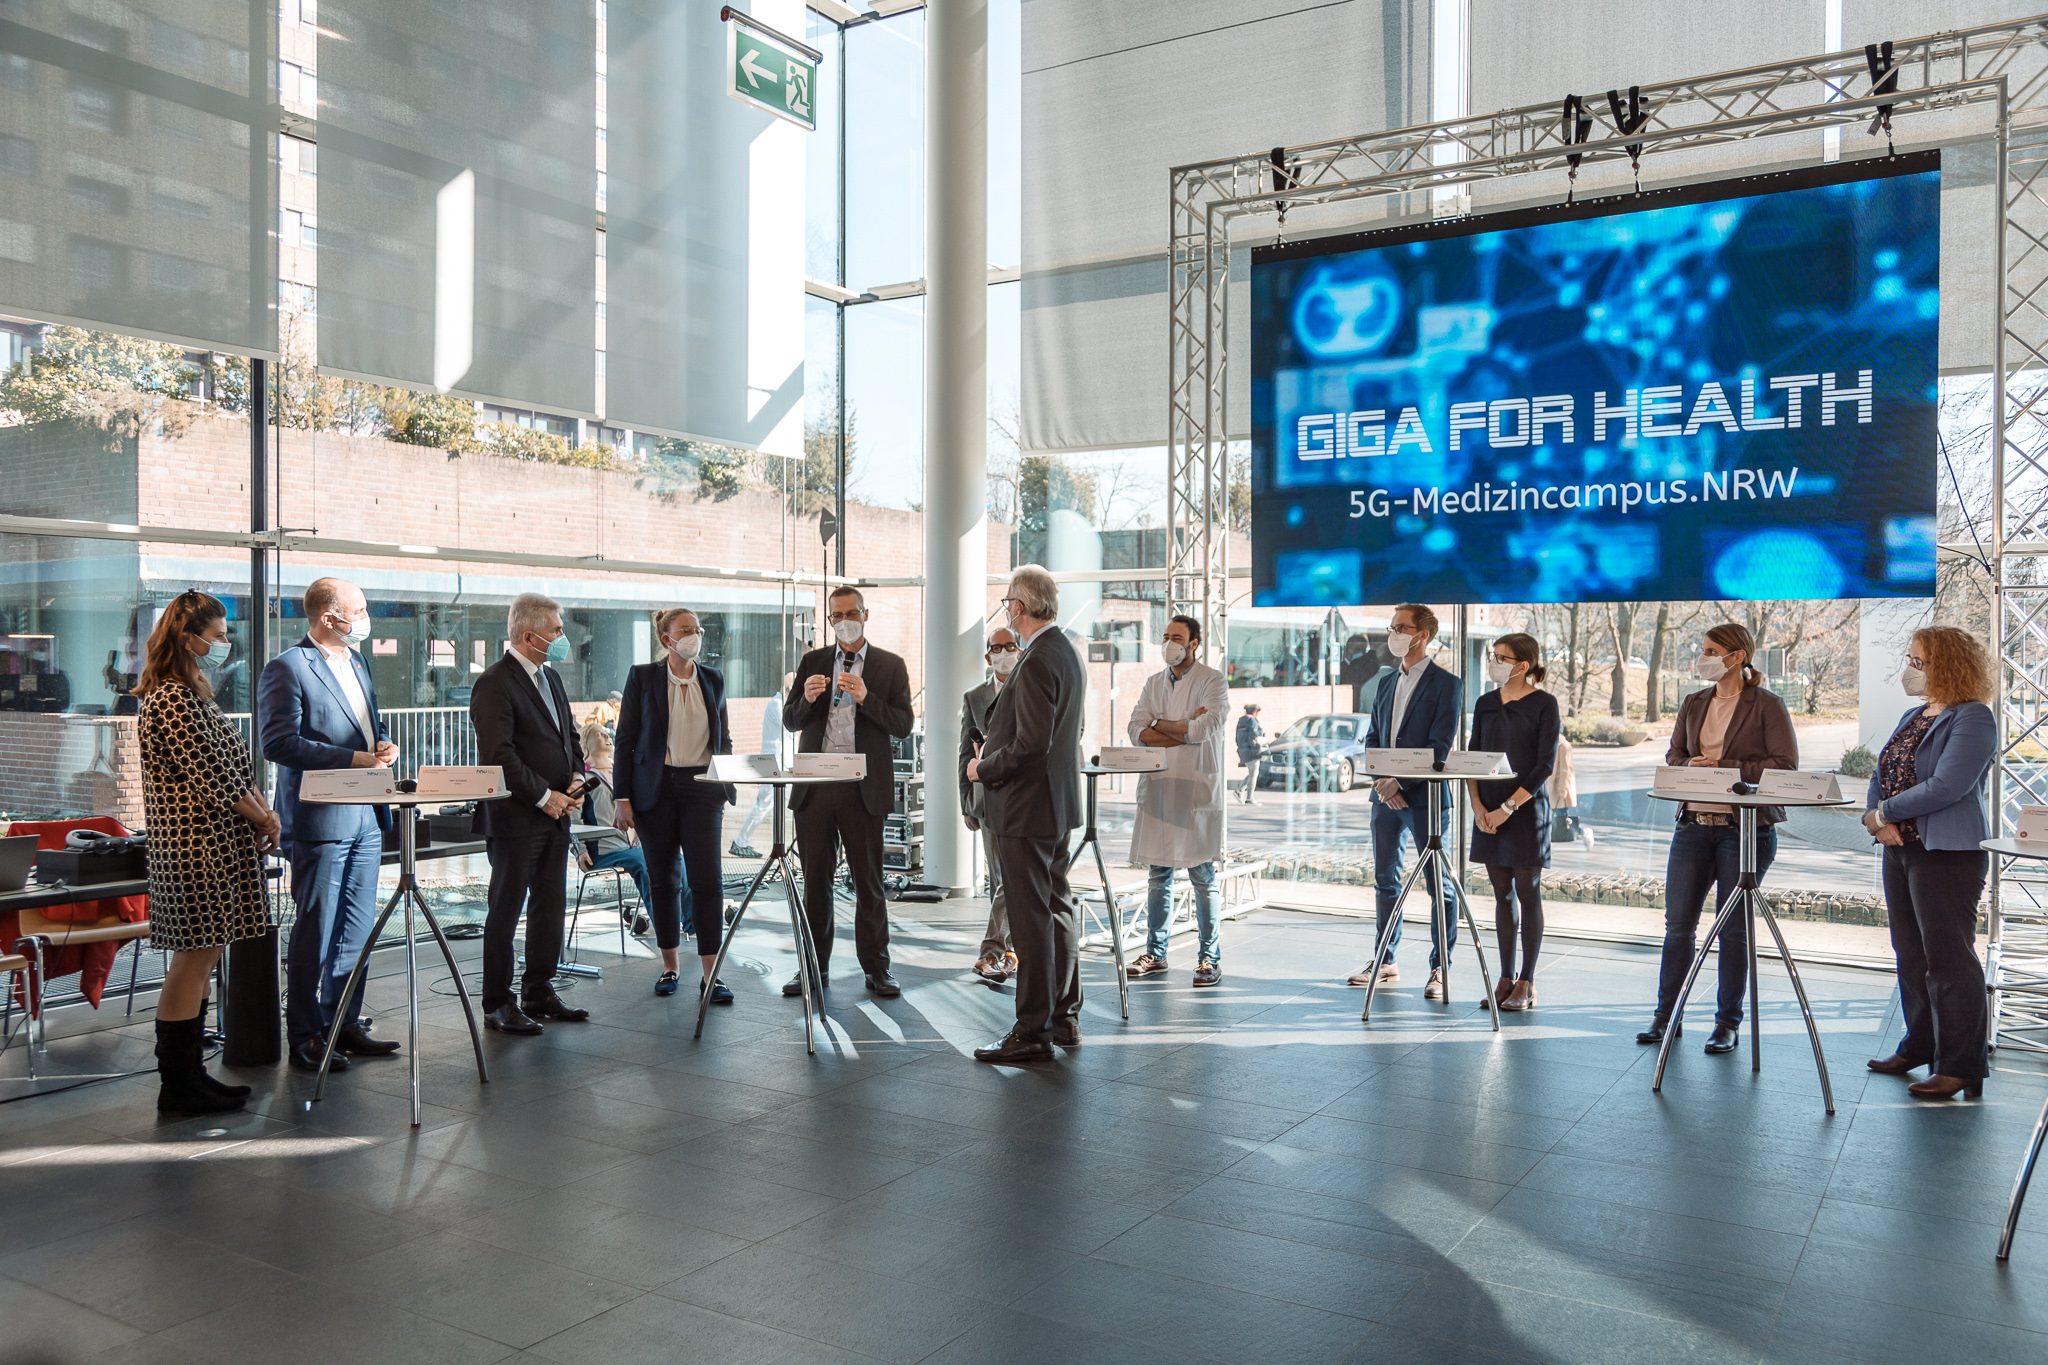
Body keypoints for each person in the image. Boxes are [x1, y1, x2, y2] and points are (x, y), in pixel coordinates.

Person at [134, 591, 280, 1114]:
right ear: (187, 637)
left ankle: (192, 1073)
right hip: (193, 850)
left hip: (217, 846)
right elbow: (214, 777)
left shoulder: (195, 695)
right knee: (192, 961)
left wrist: (265, 812)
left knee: (204, 957)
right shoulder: (170, 699)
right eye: (217, 635)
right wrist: (263, 817)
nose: (224, 643)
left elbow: (236, 768)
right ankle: (178, 1084)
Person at [258, 577, 403, 1075]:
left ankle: (343, 1023)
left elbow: (368, 725)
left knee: (356, 930)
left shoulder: (358, 661)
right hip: (320, 819)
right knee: (316, 931)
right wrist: (353, 758)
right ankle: (304, 1036)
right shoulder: (288, 667)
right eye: (358, 611)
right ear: (328, 617)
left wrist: (383, 745)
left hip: (367, 813)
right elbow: (278, 743)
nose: (366, 619)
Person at [1635, 622, 1797, 1054]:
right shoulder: (1693, 702)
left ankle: (1727, 1023)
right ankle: (1666, 1015)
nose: (1703, 657)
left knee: (1732, 932)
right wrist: (1690, 766)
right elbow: (1675, 756)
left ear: (1737, 656)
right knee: (1678, 927)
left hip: (1744, 832)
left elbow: (1785, 765)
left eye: (1711, 651)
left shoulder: (1767, 705)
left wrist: (1725, 767)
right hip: (1692, 826)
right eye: (1703, 649)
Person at [1863, 626, 1997, 1101]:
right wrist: (1876, 818)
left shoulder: (1974, 716)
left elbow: (1947, 786)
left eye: (1917, 661)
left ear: (1947, 665)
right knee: (1911, 954)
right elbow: (1882, 772)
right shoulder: (1913, 714)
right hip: (1900, 848)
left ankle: (1961, 1066)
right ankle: (1919, 1045)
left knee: (1948, 960)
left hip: (1947, 854)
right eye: (1910, 659)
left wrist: (1885, 813)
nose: (1909, 669)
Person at [968, 565, 1087, 1063]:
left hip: (1025, 809)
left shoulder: (1038, 658)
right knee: (1056, 910)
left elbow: (1031, 744)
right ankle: (1063, 1018)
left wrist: (981, 768)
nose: (1007, 613)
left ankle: (1032, 1030)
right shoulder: (1065, 651)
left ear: (1017, 607)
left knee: (1032, 918)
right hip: (1051, 806)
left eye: (1007, 605)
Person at [782, 587, 915, 998]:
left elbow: (903, 724)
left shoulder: (890, 666)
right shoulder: (813, 662)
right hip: (816, 786)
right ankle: (813, 968)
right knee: (815, 884)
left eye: (851, 613)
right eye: (836, 615)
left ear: (865, 614)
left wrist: (866, 697)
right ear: (829, 620)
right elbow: (790, 720)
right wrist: (806, 699)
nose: (844, 621)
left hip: (863, 788)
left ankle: (877, 969)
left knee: (868, 884)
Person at [470, 592, 589, 1036]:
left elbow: (569, 737)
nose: (562, 637)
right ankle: (498, 1002)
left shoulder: (550, 677)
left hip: (556, 814)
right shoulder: (495, 682)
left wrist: (576, 776)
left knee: (549, 907)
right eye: (556, 630)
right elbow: (498, 755)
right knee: (505, 911)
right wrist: (544, 796)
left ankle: (539, 990)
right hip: (516, 818)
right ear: (528, 635)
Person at [611, 608, 737, 1002]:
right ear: (667, 639)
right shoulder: (643, 677)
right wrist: (621, 797)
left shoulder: (713, 679)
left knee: (707, 881)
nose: (695, 635)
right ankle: (670, 966)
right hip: (655, 790)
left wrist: (727, 777)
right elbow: (625, 740)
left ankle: (711, 973)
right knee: (664, 880)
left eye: (698, 629)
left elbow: (724, 737)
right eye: (686, 630)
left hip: (703, 789)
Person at [1347, 604, 1463, 999]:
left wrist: (1400, 782)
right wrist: (1383, 782)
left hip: (1425, 798)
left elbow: (1439, 746)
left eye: (1401, 627)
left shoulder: (1448, 684)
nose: (1393, 634)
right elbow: (1373, 739)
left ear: (1422, 635)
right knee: (1385, 881)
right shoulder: (1384, 683)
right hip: (1384, 799)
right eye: (1392, 627)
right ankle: (1385, 960)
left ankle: (1440, 969)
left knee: (1439, 887)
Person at [1125, 614, 1230, 987]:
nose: (1169, 643)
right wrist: (1181, 727)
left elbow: (1203, 729)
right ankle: (1156, 954)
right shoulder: (1154, 683)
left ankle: (1209, 959)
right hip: (1159, 787)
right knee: (1158, 875)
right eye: (1166, 636)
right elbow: (1136, 731)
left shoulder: (1213, 681)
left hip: (1195, 789)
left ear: (1194, 644)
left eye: (1177, 638)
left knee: (1202, 876)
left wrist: (1160, 725)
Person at [1467, 633, 1560, 1013]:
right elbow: (1472, 758)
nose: (1493, 662)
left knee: (1527, 891)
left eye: (1501, 657)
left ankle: (1527, 981)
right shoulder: (1485, 703)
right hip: (1488, 812)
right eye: (1493, 655)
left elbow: (1544, 765)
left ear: (1522, 666)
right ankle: (1504, 977)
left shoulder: (1544, 704)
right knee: (1501, 894)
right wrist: (1477, 807)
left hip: (1525, 812)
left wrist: (1507, 808)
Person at [962, 627, 1020, 983]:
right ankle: (1010, 952)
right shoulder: (975, 696)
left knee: (1010, 878)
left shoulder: (1030, 687)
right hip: (986, 798)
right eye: (996, 648)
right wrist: (966, 801)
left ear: (1020, 650)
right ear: (987, 656)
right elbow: (964, 752)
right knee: (999, 878)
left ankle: (994, 952)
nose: (1003, 653)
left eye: (1010, 646)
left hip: (1021, 796)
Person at [575, 720, 652, 938]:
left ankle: (690, 921)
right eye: (598, 734)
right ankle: (669, 927)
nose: (607, 735)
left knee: (674, 860)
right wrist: (580, 850)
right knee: (645, 864)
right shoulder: (585, 780)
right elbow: (573, 818)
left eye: (606, 732)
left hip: (634, 848)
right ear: (585, 744)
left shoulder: (621, 774)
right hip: (606, 851)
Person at [731, 672, 794, 859]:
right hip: (774, 763)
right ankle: (740, 842)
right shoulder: (777, 704)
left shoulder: (782, 704)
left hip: (782, 763)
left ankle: (742, 841)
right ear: (789, 687)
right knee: (764, 805)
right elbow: (791, 725)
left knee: (791, 803)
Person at [1234, 703, 1263, 804]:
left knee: (1252, 773)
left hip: (1242, 750)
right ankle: (1249, 799)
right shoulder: (1252, 721)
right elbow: (1255, 735)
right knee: (1254, 774)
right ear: (1254, 712)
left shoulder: (1241, 721)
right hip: (1252, 751)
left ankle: (1239, 791)